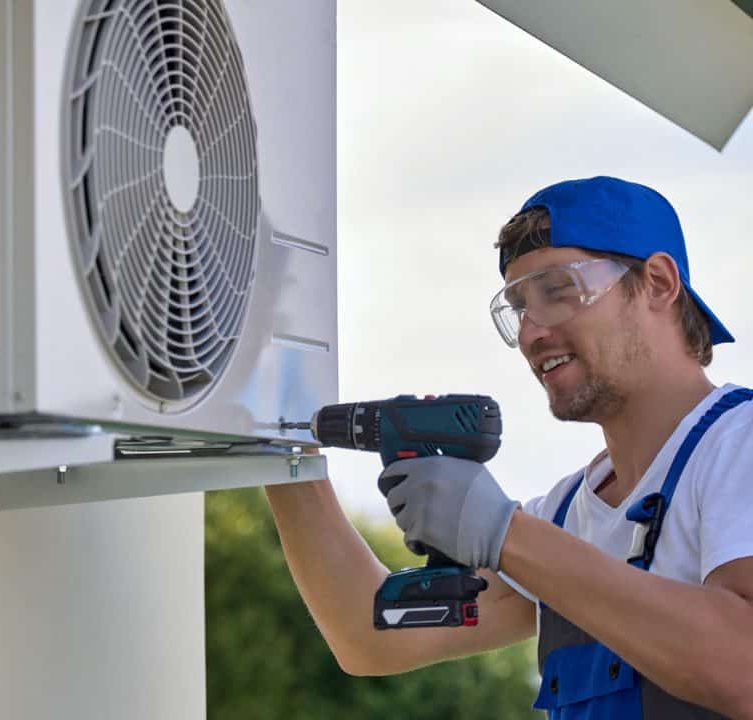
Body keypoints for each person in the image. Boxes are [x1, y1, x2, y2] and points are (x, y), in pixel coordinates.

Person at [265, 176, 753, 719]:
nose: (529, 332)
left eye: (557, 290)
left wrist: (504, 533)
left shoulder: (738, 443)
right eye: (518, 306)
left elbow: (743, 669)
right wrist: (278, 444)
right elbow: (370, 636)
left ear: (659, 283)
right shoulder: (569, 515)